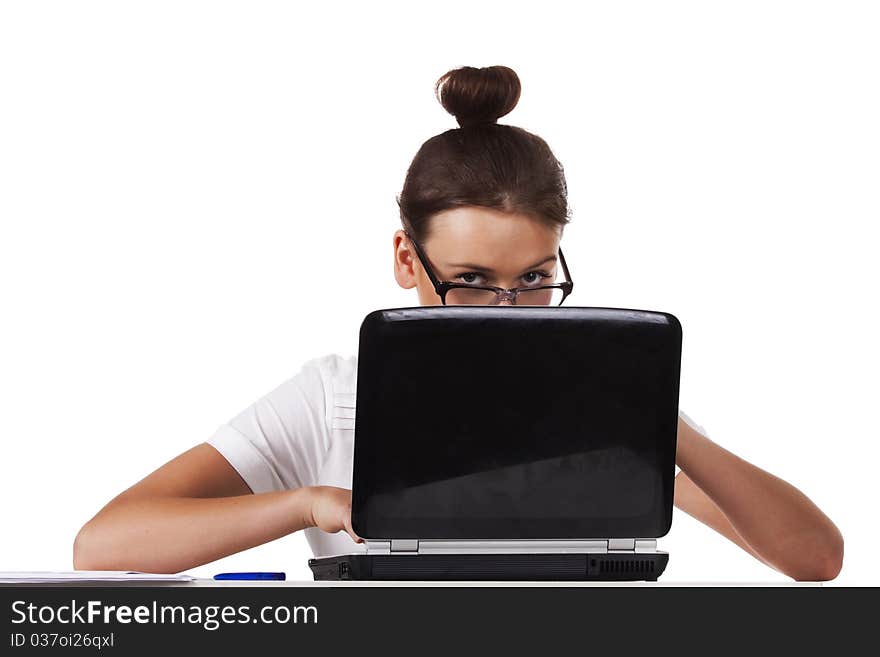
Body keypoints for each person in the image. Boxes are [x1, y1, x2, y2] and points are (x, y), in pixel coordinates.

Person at [73, 65, 844, 581]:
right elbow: (103, 544)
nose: (507, 312)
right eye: (471, 282)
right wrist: (308, 504)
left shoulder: (605, 400)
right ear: (408, 261)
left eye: (535, 280)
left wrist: (657, 426)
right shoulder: (334, 399)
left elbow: (815, 559)